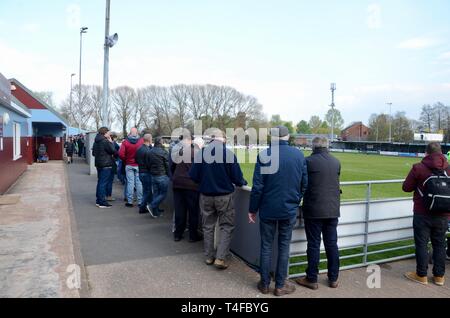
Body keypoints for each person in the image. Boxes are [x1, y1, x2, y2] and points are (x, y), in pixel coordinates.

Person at [248, 126, 308, 297]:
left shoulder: (265, 155)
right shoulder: (298, 155)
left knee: (266, 246)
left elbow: (258, 187)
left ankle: (265, 284)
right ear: (287, 136)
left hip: (268, 209)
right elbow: (304, 184)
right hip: (288, 209)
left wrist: (252, 209)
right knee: (283, 247)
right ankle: (280, 285)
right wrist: (295, 200)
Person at [189, 128, 247, 270]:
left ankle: (209, 256)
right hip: (224, 196)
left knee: (208, 226)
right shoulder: (228, 154)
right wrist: (242, 182)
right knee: (226, 226)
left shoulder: (202, 153)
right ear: (224, 139)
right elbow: (237, 178)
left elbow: (193, 176)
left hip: (206, 196)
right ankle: (220, 258)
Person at [294, 137, 341, 290]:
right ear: (327, 146)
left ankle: (312, 278)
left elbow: (301, 182)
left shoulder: (308, 161)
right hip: (332, 209)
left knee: (314, 244)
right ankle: (333, 278)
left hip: (314, 209)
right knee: (331, 244)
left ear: (313, 147)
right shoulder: (336, 161)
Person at [402, 142, 450, 286]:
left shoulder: (419, 167)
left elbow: (406, 187)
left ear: (426, 153)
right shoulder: (449, 168)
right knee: (440, 244)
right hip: (444, 213)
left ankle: (421, 275)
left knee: (422, 244)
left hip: (422, 212)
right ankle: (439, 277)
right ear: (441, 152)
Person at [171, 131, 203, 242]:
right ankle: (193, 236)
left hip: (178, 183)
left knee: (180, 209)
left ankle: (178, 234)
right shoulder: (198, 153)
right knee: (193, 211)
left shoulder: (180, 151)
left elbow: (172, 167)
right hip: (191, 184)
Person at [119, 128, 144, 208]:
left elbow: (121, 154)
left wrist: (126, 160)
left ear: (130, 133)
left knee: (130, 183)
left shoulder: (125, 142)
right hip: (138, 164)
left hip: (129, 164)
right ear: (137, 132)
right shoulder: (141, 141)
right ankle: (140, 201)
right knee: (139, 183)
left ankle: (130, 201)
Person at [92, 127, 116, 209]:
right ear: (105, 133)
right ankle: (102, 202)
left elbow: (93, 153)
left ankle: (98, 201)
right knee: (103, 183)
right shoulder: (105, 141)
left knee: (100, 182)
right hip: (106, 165)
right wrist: (111, 142)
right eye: (109, 132)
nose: (110, 134)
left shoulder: (96, 141)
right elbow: (113, 150)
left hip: (99, 164)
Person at [148, 137, 170, 217]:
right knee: (163, 194)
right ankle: (152, 205)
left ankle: (155, 211)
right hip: (162, 175)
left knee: (156, 194)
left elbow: (148, 163)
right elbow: (167, 165)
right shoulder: (163, 152)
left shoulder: (150, 151)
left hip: (153, 175)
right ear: (161, 143)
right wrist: (169, 175)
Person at [135, 134, 154, 215]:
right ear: (149, 140)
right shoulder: (147, 150)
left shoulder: (139, 149)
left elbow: (136, 159)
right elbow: (149, 163)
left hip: (141, 171)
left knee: (146, 190)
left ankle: (150, 207)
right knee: (148, 191)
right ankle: (142, 207)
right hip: (146, 172)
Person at [105, 133, 120, 202]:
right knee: (110, 181)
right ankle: (108, 195)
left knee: (105, 180)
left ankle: (105, 195)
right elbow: (116, 152)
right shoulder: (112, 144)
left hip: (103, 164)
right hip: (111, 162)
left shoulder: (102, 143)